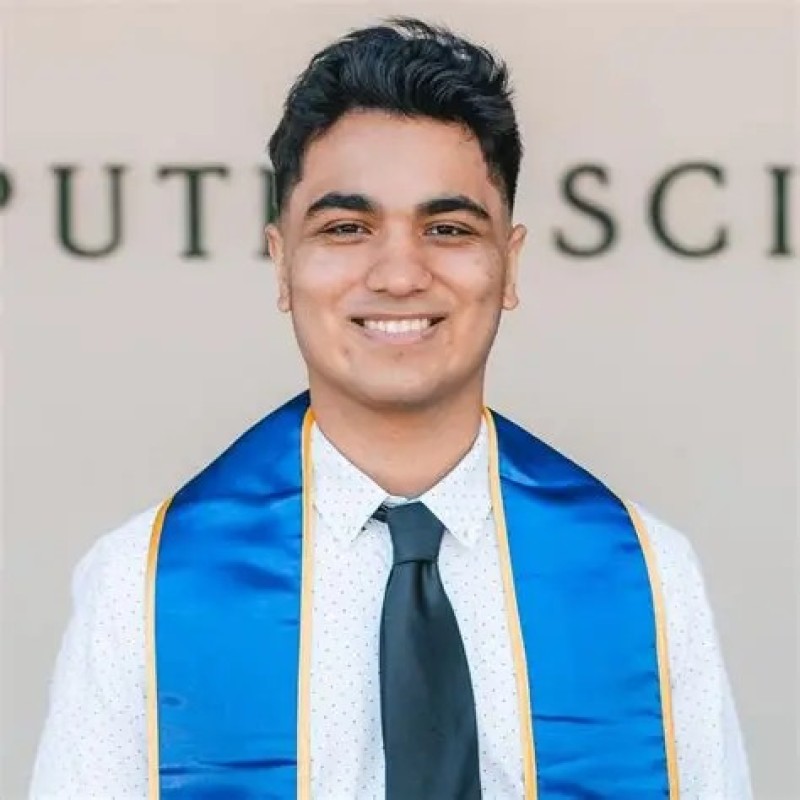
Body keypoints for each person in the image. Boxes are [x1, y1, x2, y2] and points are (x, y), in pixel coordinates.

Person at [31, 16, 752, 800]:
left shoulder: (643, 575)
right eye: (347, 228)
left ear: (508, 264)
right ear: (282, 262)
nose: (400, 274)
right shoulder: (144, 587)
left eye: (447, 228)